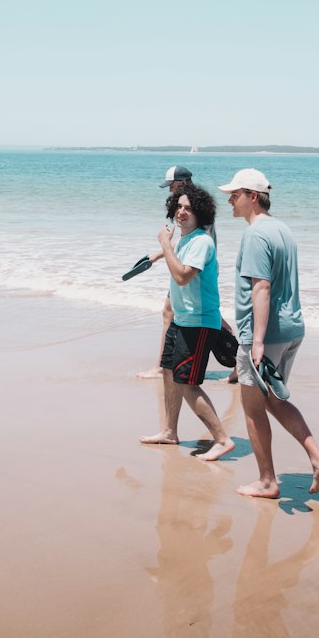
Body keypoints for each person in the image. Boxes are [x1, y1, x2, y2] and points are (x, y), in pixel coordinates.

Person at [219, 168, 319, 499]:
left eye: (235, 194)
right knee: (274, 400)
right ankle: (317, 458)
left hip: (265, 334)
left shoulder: (255, 235)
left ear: (253, 197)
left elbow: (262, 287)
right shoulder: (282, 229)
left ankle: (267, 481)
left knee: (254, 408)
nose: (229, 200)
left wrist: (255, 340)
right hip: (291, 329)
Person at [140, 184, 236, 462]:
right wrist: (162, 251)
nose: (182, 212)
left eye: (189, 209)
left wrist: (164, 245)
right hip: (181, 320)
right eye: (179, 207)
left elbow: (182, 276)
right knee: (169, 373)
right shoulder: (186, 239)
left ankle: (222, 439)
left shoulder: (202, 242)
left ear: (201, 214)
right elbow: (177, 260)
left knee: (187, 383)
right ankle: (169, 431)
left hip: (197, 323)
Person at [136, 165, 195, 381]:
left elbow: (199, 241)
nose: (170, 190)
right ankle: (237, 358)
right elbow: (185, 240)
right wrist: (159, 254)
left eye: (171, 185)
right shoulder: (188, 205)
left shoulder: (192, 206)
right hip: (188, 265)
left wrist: (165, 248)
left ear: (182, 183)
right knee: (170, 312)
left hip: (191, 269)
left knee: (173, 312)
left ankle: (163, 367)